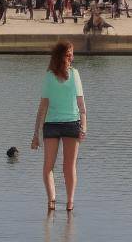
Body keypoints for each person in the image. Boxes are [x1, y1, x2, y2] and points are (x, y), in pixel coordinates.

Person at [31, 41, 87, 211]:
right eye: (69, 54)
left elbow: (81, 104)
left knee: (68, 166)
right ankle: (52, 201)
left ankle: (70, 202)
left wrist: (84, 127)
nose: (72, 57)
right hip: (52, 124)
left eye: (72, 54)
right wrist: (35, 134)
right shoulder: (49, 76)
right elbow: (42, 107)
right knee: (49, 165)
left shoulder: (75, 74)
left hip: (71, 123)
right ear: (60, 57)